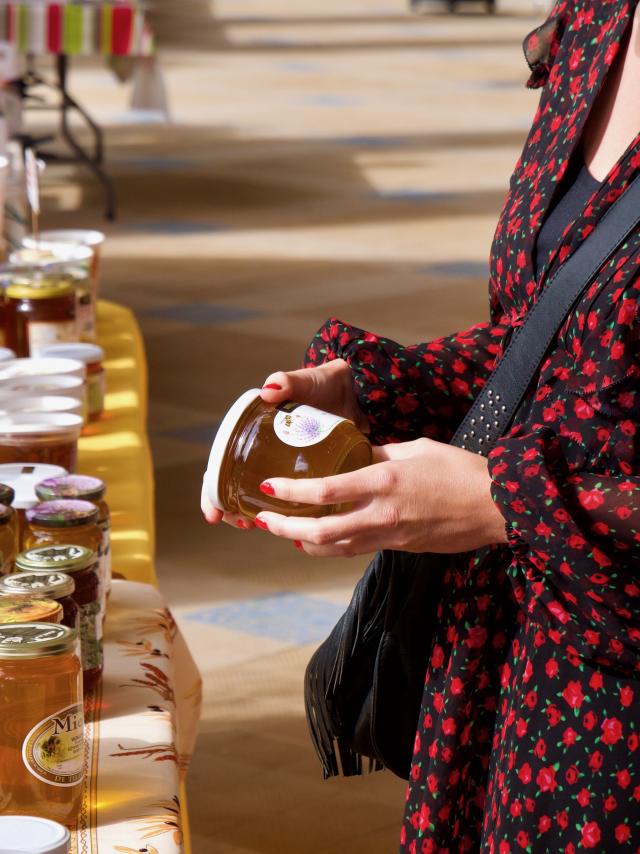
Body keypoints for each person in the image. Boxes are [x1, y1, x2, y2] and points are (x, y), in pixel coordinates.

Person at [202, 0, 640, 848]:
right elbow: (561, 333)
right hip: (520, 677)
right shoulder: (599, 19)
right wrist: (370, 391)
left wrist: (504, 502)